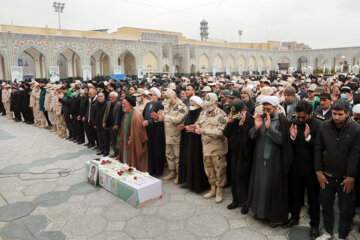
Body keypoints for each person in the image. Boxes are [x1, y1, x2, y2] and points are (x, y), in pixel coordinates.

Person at [315, 100, 360, 240]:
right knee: (326, 206)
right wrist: (318, 172)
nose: (336, 117)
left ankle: (342, 235)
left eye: (340, 114)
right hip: (326, 175)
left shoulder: (356, 129)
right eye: (334, 113)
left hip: (345, 178)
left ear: (347, 114)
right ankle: (328, 232)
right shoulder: (324, 126)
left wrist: (351, 177)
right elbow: (318, 149)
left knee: (345, 210)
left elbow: (355, 154)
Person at [247, 96, 293, 227]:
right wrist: (256, 128)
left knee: (272, 188)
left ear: (276, 108)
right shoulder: (260, 118)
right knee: (260, 186)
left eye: (269, 109)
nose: (266, 111)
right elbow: (251, 136)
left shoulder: (282, 121)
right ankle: (260, 212)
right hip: (259, 161)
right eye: (264, 109)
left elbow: (282, 140)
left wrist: (269, 128)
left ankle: (274, 217)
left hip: (275, 162)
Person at [285, 101, 321, 239]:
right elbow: (289, 146)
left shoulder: (319, 125)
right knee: (296, 196)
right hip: (296, 168)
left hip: (312, 170)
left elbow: (320, 148)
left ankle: (315, 224)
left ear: (311, 114)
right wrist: (292, 137)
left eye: (303, 117)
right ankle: (295, 217)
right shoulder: (294, 123)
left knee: (313, 199)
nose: (300, 120)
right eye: (298, 117)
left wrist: (308, 138)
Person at [189, 92, 228, 203]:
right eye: (206, 104)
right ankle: (212, 189)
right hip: (206, 147)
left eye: (210, 104)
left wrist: (204, 131)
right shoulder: (203, 113)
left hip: (217, 149)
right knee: (209, 170)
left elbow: (221, 131)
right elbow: (199, 123)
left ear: (216, 103)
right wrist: (194, 127)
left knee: (219, 170)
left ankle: (219, 191)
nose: (208, 106)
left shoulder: (222, 115)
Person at [223, 99, 254, 214]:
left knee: (244, 178)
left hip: (246, 153)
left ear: (244, 110)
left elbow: (248, 139)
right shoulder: (234, 118)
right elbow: (226, 134)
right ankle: (235, 200)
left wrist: (242, 126)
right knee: (234, 177)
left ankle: (245, 203)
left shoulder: (250, 120)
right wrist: (230, 123)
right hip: (234, 152)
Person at [155, 89, 188, 184]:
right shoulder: (169, 105)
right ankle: (172, 171)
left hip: (176, 136)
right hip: (168, 135)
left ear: (175, 97)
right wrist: (158, 118)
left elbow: (177, 119)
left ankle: (179, 174)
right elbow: (165, 118)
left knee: (177, 156)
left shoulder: (182, 107)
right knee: (169, 155)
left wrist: (164, 117)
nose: (168, 103)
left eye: (170, 100)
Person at [178, 96, 209, 193]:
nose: (191, 107)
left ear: (199, 106)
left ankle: (197, 186)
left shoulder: (201, 114)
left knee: (196, 161)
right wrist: (184, 127)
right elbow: (187, 124)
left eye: (193, 105)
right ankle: (188, 182)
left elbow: (201, 127)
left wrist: (194, 129)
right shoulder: (190, 113)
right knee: (188, 160)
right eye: (190, 105)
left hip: (197, 143)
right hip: (188, 141)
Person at [116, 95, 148, 172]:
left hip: (133, 141)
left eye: (124, 104)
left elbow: (139, 133)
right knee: (125, 157)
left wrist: (132, 139)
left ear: (130, 104)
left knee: (132, 158)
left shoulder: (136, 115)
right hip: (125, 140)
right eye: (122, 103)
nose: (122, 105)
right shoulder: (125, 114)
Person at [142, 87, 166, 176]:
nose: (149, 96)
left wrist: (148, 122)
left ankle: (158, 171)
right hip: (148, 130)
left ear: (156, 96)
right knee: (150, 150)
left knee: (157, 150)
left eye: (151, 95)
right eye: (149, 95)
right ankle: (151, 169)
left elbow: (159, 118)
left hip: (157, 131)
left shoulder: (160, 105)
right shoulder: (148, 104)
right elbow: (144, 115)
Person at [103, 91, 121, 157]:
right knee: (113, 140)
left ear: (116, 97)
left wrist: (117, 124)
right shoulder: (108, 103)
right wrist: (104, 121)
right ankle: (115, 153)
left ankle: (119, 154)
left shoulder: (119, 104)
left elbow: (119, 116)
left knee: (117, 140)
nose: (110, 98)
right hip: (110, 125)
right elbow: (105, 113)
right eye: (110, 97)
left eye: (112, 97)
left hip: (116, 125)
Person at [92, 92, 109, 156]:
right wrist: (94, 123)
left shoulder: (107, 104)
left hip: (104, 124)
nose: (100, 98)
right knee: (99, 138)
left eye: (101, 96)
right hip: (98, 124)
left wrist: (106, 123)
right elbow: (93, 114)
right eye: (99, 96)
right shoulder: (95, 104)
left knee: (105, 138)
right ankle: (101, 149)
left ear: (104, 97)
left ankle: (106, 151)